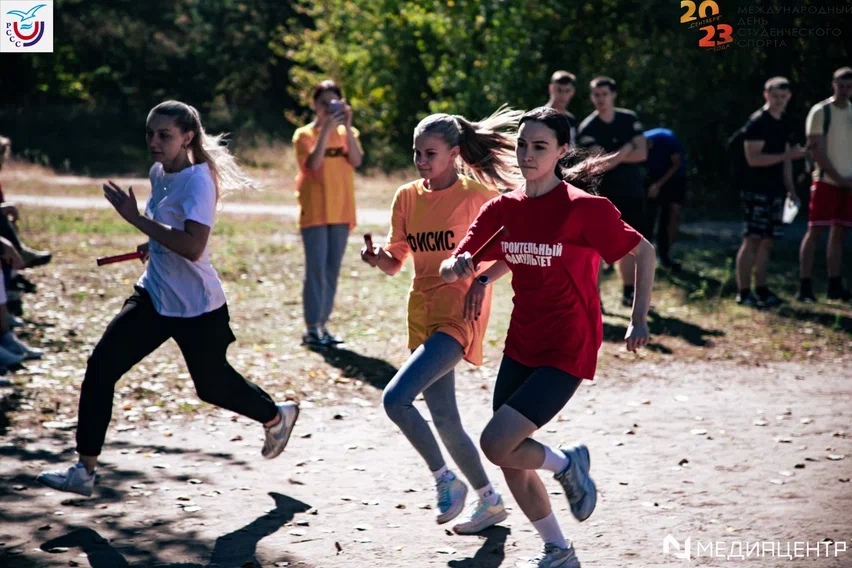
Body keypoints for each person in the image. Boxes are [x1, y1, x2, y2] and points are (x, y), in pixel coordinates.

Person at [37, 100, 299, 497]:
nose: (154, 142)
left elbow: (194, 246)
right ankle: (84, 471)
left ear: (187, 137)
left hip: (196, 306)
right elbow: (170, 229)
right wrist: (152, 242)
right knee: (100, 367)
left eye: (164, 135)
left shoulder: (199, 181)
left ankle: (275, 416)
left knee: (211, 387)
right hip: (154, 295)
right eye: (150, 134)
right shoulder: (159, 172)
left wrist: (138, 220)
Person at [440, 106, 655, 568]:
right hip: (522, 344)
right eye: (522, 145)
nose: (528, 154)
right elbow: (460, 258)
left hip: (567, 347)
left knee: (497, 443)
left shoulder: (584, 209)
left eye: (540, 146)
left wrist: (638, 319)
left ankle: (565, 465)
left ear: (561, 151)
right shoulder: (504, 208)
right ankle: (559, 548)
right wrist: (463, 270)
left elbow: (644, 251)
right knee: (509, 458)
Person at [360, 109, 521, 534]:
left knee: (395, 400)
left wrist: (481, 281)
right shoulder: (407, 197)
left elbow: (510, 246)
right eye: (416, 152)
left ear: (453, 153)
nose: (421, 160)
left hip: (460, 313)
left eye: (430, 153)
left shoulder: (477, 196)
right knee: (446, 419)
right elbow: (397, 262)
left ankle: (445, 481)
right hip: (423, 313)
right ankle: (489, 499)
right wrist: (379, 259)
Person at [292, 80, 363, 349]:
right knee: (316, 270)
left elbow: (356, 161)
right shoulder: (303, 135)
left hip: (341, 210)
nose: (327, 108)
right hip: (315, 211)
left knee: (332, 270)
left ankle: (323, 325)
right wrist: (324, 130)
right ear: (314, 105)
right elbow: (312, 165)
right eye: (323, 104)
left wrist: (346, 125)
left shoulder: (348, 133)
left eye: (333, 104)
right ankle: (311, 328)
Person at [735, 77, 808, 307]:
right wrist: (788, 156)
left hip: (776, 191)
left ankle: (762, 289)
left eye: (783, 97)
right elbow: (753, 158)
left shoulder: (785, 122)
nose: (778, 101)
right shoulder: (757, 122)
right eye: (774, 96)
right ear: (766, 95)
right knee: (752, 239)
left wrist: (791, 190)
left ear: (789, 97)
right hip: (755, 190)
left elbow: (786, 160)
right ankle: (744, 292)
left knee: (767, 241)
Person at [577, 76, 648, 307]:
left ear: (613, 95)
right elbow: (601, 164)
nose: (600, 99)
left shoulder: (629, 119)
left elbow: (643, 154)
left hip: (633, 191)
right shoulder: (588, 127)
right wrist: (627, 147)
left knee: (630, 244)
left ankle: (629, 292)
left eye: (604, 94)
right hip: (603, 195)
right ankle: (594, 297)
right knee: (597, 246)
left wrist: (616, 156)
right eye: (596, 95)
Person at [798, 67, 852, 302]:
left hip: (848, 183)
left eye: (849, 87)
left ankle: (834, 284)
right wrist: (837, 176)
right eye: (841, 85)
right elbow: (816, 148)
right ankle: (805, 285)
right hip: (826, 180)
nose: (845, 91)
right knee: (816, 230)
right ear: (833, 85)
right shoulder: (820, 111)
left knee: (839, 232)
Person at [644, 127, 687, 270]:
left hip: (674, 178)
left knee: (667, 216)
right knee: (648, 217)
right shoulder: (636, 144)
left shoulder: (667, 138)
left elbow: (676, 163)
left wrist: (658, 185)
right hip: (654, 179)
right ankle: (646, 256)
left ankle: (665, 256)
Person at [545, 71, 579, 145]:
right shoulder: (540, 117)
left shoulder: (572, 120)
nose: (563, 95)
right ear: (551, 88)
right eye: (559, 90)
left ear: (572, 92)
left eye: (567, 91)